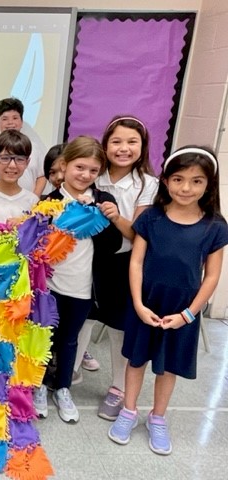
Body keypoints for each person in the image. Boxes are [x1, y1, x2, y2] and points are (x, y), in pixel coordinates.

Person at [108, 146, 228, 455]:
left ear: (209, 184)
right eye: (178, 179)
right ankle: (129, 410)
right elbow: (136, 262)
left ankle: (157, 417)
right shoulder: (151, 218)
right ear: (165, 180)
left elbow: (212, 276)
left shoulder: (215, 226)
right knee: (136, 360)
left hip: (183, 309)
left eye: (196, 181)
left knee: (168, 367)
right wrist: (137, 303)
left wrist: (189, 314)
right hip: (146, 302)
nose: (186, 188)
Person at [33, 136, 121, 423]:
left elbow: (113, 244)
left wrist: (104, 216)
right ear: (64, 165)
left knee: (70, 340)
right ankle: (37, 386)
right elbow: (34, 244)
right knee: (43, 337)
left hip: (83, 288)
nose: (85, 175)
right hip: (51, 286)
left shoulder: (103, 201)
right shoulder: (48, 202)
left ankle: (63, 388)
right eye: (79, 167)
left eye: (93, 171)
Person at [84, 116, 159, 420]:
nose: (123, 148)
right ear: (105, 145)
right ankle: (67, 375)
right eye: (116, 141)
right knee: (82, 319)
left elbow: (137, 234)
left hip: (123, 263)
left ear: (143, 148)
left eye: (132, 142)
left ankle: (118, 389)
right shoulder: (93, 174)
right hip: (86, 259)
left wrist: (115, 215)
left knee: (118, 327)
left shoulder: (148, 184)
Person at [0, 97, 46, 195]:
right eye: (5, 119)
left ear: (21, 122)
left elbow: (41, 176)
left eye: (15, 118)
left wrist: (34, 198)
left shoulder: (33, 147)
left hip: (28, 205)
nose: (10, 123)